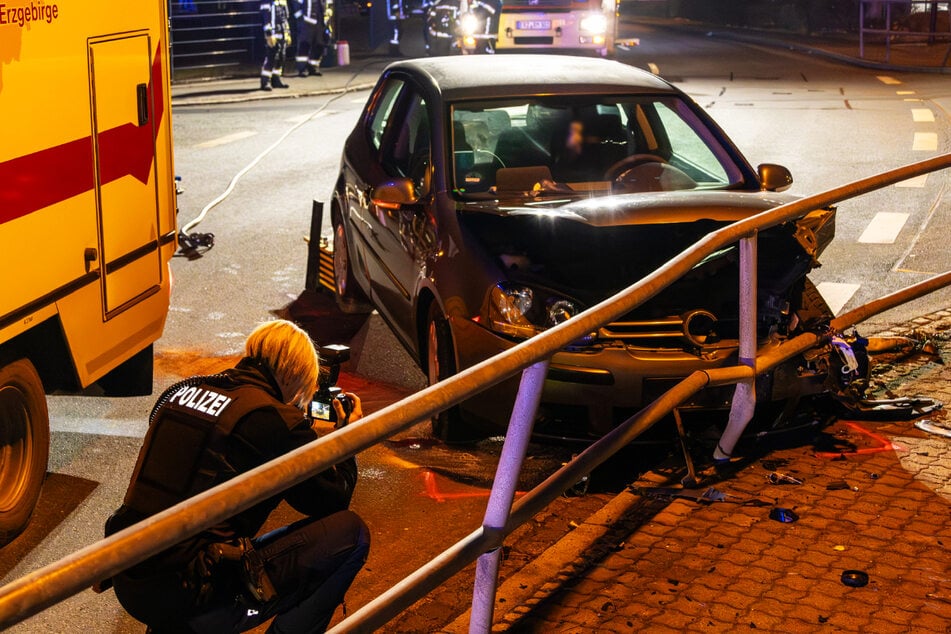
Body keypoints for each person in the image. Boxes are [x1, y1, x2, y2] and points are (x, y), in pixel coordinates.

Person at [105, 320, 369, 633]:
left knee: (197, 541)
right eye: (301, 391)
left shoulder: (185, 394)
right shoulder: (272, 418)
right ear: (293, 374)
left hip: (130, 578)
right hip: (195, 593)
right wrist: (350, 439)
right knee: (350, 534)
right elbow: (331, 498)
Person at [261, 0, 292, 90]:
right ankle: (265, 81)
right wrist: (269, 34)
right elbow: (265, 17)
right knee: (271, 57)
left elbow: (285, 17)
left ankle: (276, 79)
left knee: (281, 57)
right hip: (273, 33)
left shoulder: (283, 1)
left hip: (282, 32)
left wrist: (288, 33)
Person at [293, 0, 327, 77]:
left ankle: (313, 67)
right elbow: (296, 6)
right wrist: (301, 19)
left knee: (319, 44)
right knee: (304, 45)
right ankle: (302, 69)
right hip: (306, 23)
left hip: (319, 21)